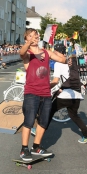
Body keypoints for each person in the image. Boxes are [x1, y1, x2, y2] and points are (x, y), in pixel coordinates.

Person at [19, 28, 66, 161]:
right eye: (32, 36)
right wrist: (29, 43)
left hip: (46, 92)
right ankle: (24, 149)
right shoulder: (27, 53)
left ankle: (36, 147)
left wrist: (58, 52)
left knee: (44, 121)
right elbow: (21, 52)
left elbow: (62, 60)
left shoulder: (46, 52)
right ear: (27, 38)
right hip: (31, 92)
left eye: (36, 35)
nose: (35, 37)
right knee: (29, 120)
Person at [49, 44, 87, 143]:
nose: (53, 55)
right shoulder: (74, 62)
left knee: (50, 110)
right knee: (74, 115)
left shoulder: (59, 64)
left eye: (54, 53)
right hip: (77, 93)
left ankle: (39, 129)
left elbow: (56, 80)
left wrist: (46, 88)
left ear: (58, 52)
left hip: (67, 94)